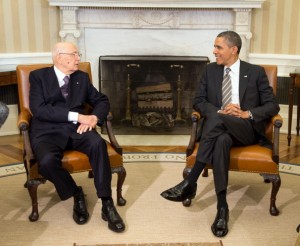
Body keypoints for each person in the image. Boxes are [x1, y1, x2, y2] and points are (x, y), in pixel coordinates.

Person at [160, 31, 279, 237]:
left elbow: (272, 105)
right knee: (221, 139)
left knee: (216, 122)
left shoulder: (255, 72)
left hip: (245, 129)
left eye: (218, 47)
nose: (214, 51)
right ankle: (222, 208)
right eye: (214, 47)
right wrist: (219, 112)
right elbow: (199, 100)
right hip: (219, 130)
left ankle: (191, 181)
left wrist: (245, 113)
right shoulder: (210, 71)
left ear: (233, 49)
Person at [29, 42, 125, 232]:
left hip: (78, 130)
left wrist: (94, 118)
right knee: (47, 163)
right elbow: (39, 110)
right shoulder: (39, 76)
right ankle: (75, 193)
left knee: (97, 144)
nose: (78, 58)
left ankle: (107, 203)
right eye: (74, 54)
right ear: (59, 57)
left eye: (77, 54)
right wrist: (79, 116)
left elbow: (102, 100)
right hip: (47, 131)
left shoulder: (81, 77)